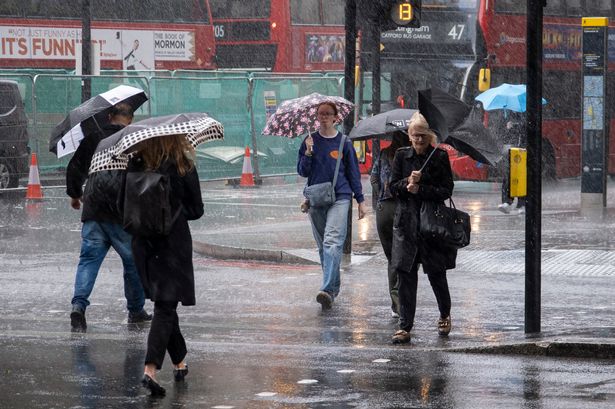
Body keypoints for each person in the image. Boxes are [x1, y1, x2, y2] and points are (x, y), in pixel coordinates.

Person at [128, 134, 204, 396]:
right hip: (172, 243)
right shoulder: (183, 166)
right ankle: (150, 369)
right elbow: (197, 210)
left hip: (142, 244)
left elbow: (123, 205)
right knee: (165, 306)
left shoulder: (135, 164)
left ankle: (180, 362)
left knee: (165, 303)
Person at [67, 103, 150, 332]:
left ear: (110, 116)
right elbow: (143, 175)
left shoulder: (93, 138)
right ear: (130, 119)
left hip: (93, 206)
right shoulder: (134, 138)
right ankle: (135, 310)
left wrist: (75, 195)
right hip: (120, 209)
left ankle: (78, 306)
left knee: (88, 260)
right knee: (132, 262)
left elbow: (75, 167)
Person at [388, 112, 457, 344]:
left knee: (436, 274)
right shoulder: (401, 156)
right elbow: (391, 188)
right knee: (406, 275)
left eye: (423, 136)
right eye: (415, 135)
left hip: (431, 226)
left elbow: (447, 189)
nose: (418, 140)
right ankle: (405, 326)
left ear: (430, 137)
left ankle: (445, 314)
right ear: (409, 136)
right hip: (406, 224)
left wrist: (423, 188)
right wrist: (408, 183)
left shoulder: (439, 157)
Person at [297, 101, 367, 310]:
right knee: (323, 247)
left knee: (332, 243)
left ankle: (326, 289)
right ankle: (333, 289)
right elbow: (302, 171)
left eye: (328, 113)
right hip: (317, 198)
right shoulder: (309, 141)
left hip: (340, 196)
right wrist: (308, 152)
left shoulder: (344, 142)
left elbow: (354, 173)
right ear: (316, 117)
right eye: (321, 114)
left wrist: (360, 200)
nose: (324, 116)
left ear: (336, 117)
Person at [370, 130, 411, 319]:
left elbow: (374, 178)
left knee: (391, 258)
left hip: (384, 209)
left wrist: (380, 198)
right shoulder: (411, 157)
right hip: (405, 208)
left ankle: (396, 303)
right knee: (405, 255)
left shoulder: (383, 154)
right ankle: (402, 299)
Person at [497, 112, 527, 214]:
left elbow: (527, 129)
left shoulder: (526, 112)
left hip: (522, 151)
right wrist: (508, 128)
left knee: (521, 177)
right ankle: (507, 202)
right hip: (511, 151)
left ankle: (522, 204)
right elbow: (502, 133)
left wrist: (515, 126)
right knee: (508, 176)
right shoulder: (505, 113)